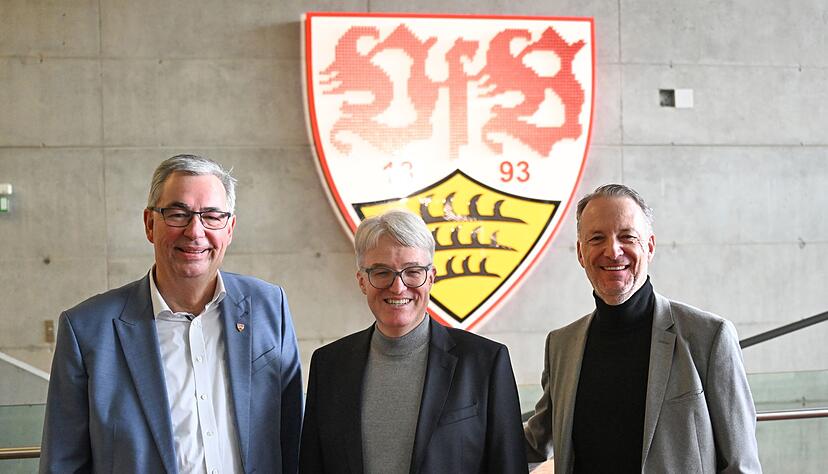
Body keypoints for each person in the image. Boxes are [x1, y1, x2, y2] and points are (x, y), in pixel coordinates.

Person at [40, 154, 303, 474]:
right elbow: (63, 463)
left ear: (230, 228)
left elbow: (293, 440)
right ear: (150, 224)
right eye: (178, 214)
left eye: (212, 216)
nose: (195, 231)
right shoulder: (88, 330)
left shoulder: (268, 306)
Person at [524, 184, 761, 473]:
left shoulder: (708, 337)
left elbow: (741, 465)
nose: (613, 251)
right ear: (580, 253)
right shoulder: (562, 345)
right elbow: (532, 443)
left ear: (649, 246)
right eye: (597, 238)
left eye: (627, 237)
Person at [298, 209, 527, 473]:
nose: (398, 287)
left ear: (431, 278)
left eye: (413, 271)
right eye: (382, 272)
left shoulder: (485, 363)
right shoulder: (329, 366)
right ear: (362, 281)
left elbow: (509, 466)